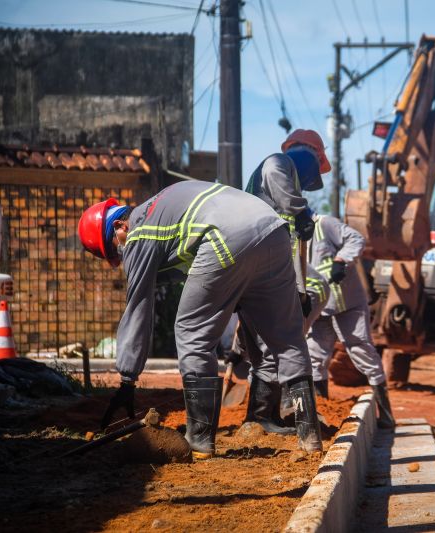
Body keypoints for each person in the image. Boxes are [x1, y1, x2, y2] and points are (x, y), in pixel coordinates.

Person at [77, 180, 323, 458]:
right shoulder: (162, 211)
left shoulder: (139, 230)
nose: (119, 258)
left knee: (191, 330)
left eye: (113, 250)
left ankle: (200, 441)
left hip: (226, 235)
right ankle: (310, 438)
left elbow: (138, 306)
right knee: (287, 337)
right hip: (274, 230)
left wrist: (127, 378)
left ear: (120, 227)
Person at [241, 129, 332, 434]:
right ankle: (261, 417)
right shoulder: (281, 163)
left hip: (257, 266)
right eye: (313, 171)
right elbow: (273, 169)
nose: (310, 181)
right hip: (263, 269)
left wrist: (301, 289)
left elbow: (292, 243)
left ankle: (263, 416)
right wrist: (301, 210)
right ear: (310, 157)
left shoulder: (275, 192)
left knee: (264, 345)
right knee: (277, 341)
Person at [307, 214, 395, 429]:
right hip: (319, 306)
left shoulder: (324, 224)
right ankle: (322, 411)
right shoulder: (291, 237)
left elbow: (355, 239)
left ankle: (385, 413)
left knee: (360, 349)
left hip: (348, 303)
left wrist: (341, 260)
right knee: (314, 357)